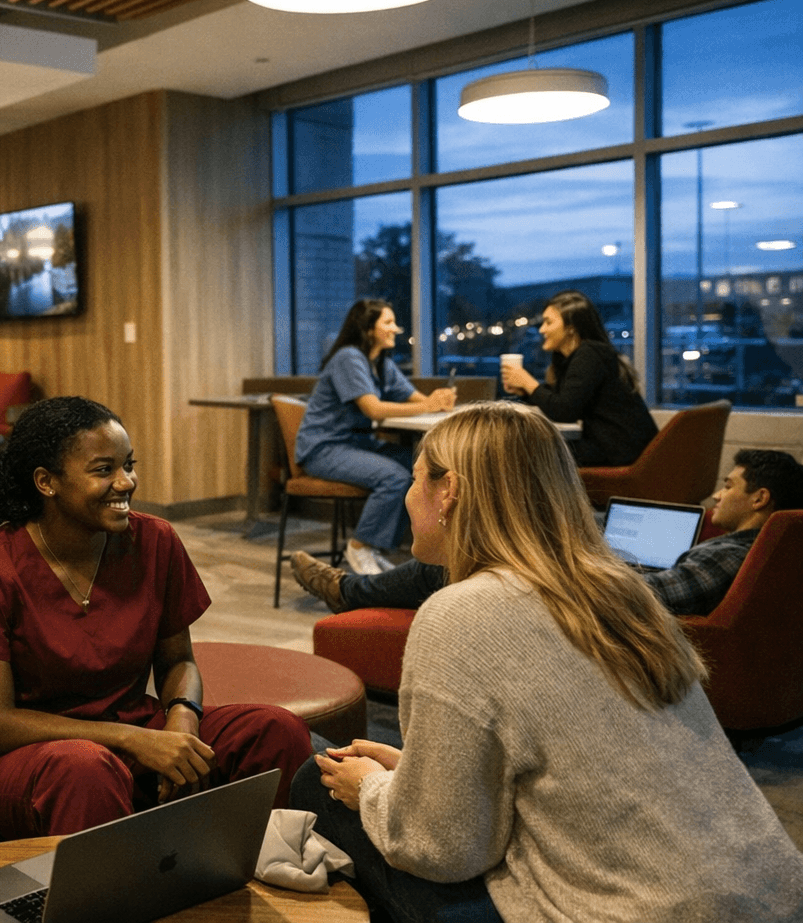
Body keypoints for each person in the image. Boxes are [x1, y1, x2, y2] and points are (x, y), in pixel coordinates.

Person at [289, 402, 803, 923]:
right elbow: (579, 761)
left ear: (451, 492)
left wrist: (373, 790)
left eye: (416, 477)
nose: (407, 494)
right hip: (770, 892)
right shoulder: (621, 591)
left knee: (318, 777)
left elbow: (442, 848)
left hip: (638, 910)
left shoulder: (459, 612)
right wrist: (417, 774)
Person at [0, 396, 311, 837]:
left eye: (129, 465)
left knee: (276, 730)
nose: (126, 482)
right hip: (13, 756)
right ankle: (119, 901)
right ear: (46, 482)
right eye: (104, 470)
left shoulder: (155, 540)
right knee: (88, 770)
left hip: (126, 730)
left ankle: (268, 873)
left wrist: (180, 723)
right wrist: (137, 741)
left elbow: (178, 661)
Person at [291, 447, 803, 618]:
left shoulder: (732, 553)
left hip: (582, 602)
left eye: (731, 486)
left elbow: (648, 597)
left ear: (761, 499)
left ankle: (348, 590)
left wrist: (571, 565)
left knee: (449, 568)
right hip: (603, 579)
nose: (717, 496)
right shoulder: (761, 547)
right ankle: (349, 589)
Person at [296, 299, 455, 575]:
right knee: (394, 476)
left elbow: (417, 399)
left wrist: (438, 400)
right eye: (388, 322)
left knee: (419, 468)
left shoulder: (381, 363)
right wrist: (429, 405)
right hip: (324, 448)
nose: (396, 328)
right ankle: (360, 546)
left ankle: (376, 547)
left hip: (356, 445)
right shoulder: (349, 358)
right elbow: (372, 408)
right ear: (368, 329)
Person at [499, 289, 657, 467]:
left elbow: (564, 411)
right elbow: (560, 401)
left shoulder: (590, 354)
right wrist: (525, 390)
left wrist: (528, 382)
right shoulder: (583, 356)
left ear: (571, 328)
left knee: (523, 454)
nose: (542, 329)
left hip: (622, 453)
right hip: (618, 449)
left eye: (548, 322)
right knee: (530, 451)